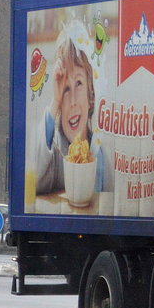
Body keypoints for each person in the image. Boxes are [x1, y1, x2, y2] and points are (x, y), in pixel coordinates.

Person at [31, 21, 113, 195]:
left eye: (79, 83)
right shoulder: (54, 150)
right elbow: (34, 182)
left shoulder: (101, 155)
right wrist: (55, 101)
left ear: (91, 95)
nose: (73, 101)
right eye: (66, 89)